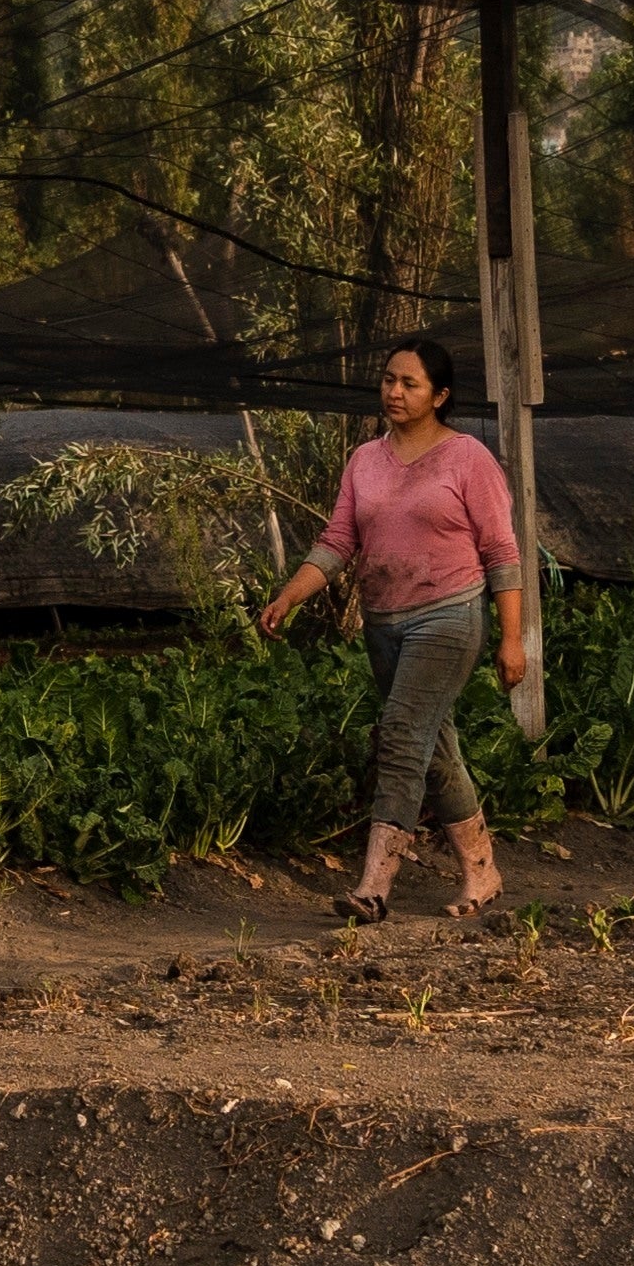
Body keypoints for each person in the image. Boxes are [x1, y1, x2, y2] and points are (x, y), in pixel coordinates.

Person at [259, 336, 531, 922]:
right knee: (432, 752)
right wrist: (290, 596)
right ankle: (482, 873)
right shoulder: (365, 460)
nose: (395, 391)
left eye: (410, 383)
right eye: (389, 380)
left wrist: (513, 639)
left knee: (402, 737)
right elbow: (337, 543)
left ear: (440, 395)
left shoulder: (467, 460)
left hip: (450, 615)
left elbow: (502, 554)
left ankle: (373, 887)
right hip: (384, 623)